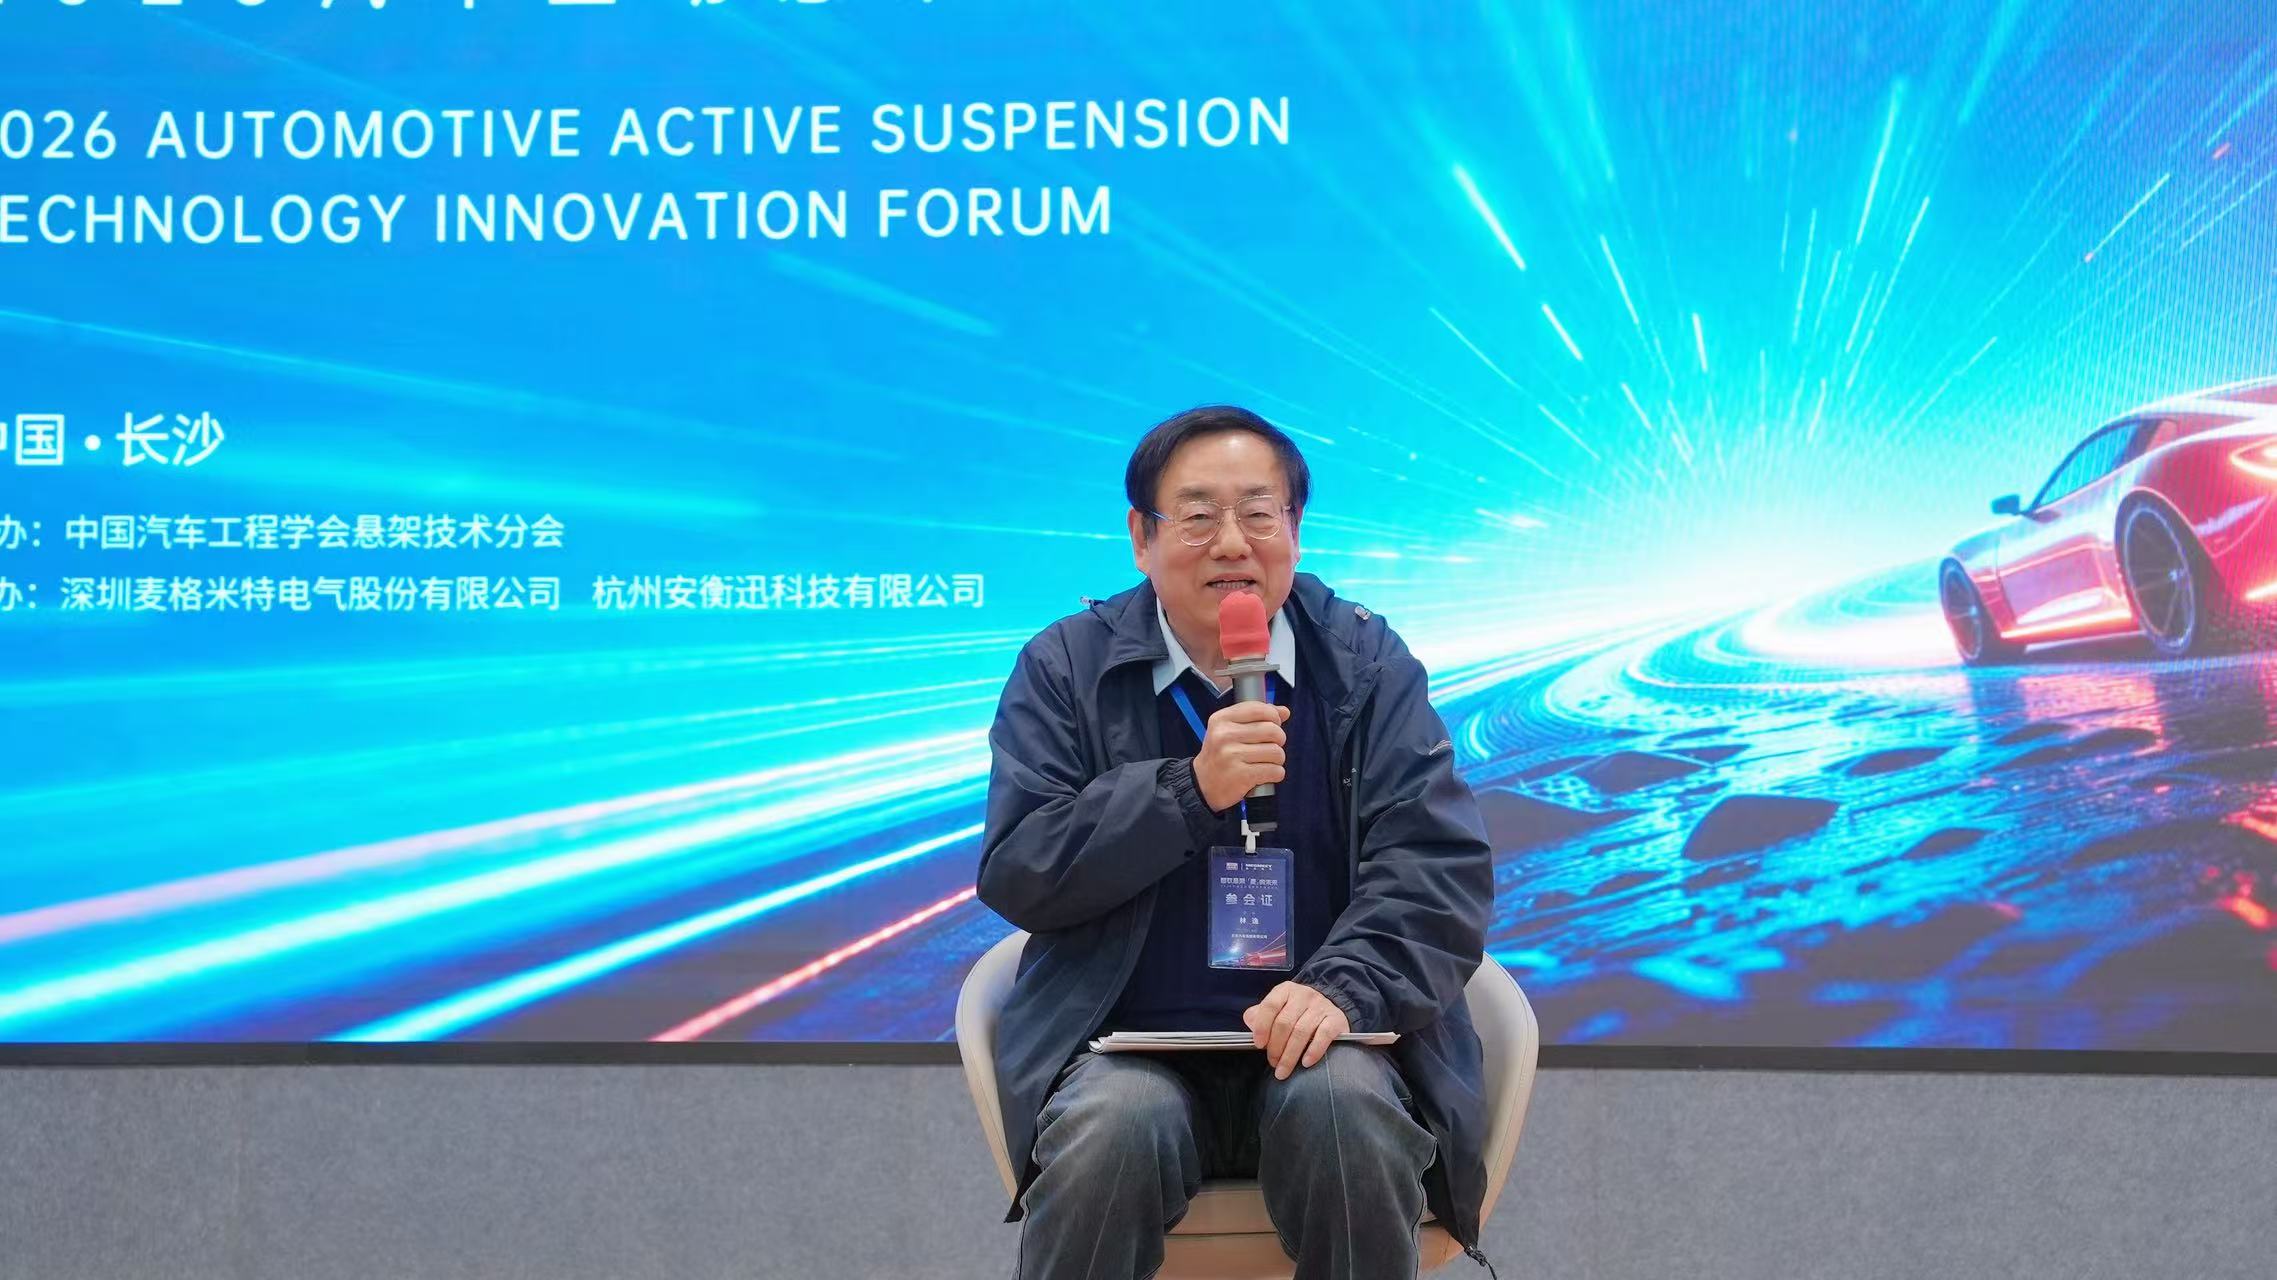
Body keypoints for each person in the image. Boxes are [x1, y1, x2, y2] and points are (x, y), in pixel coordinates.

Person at [976, 405, 1498, 1279]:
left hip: (1330, 1046)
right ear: (1141, 538)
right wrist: (1186, 792)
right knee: (1113, 1129)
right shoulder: (1065, 667)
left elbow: (1436, 868)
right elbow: (1021, 868)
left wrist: (1341, 991)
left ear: (1294, 530)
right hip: (1128, 1051)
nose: (1231, 543)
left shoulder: (1366, 666)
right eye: (1197, 516)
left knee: (1345, 1113)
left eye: (1258, 513)